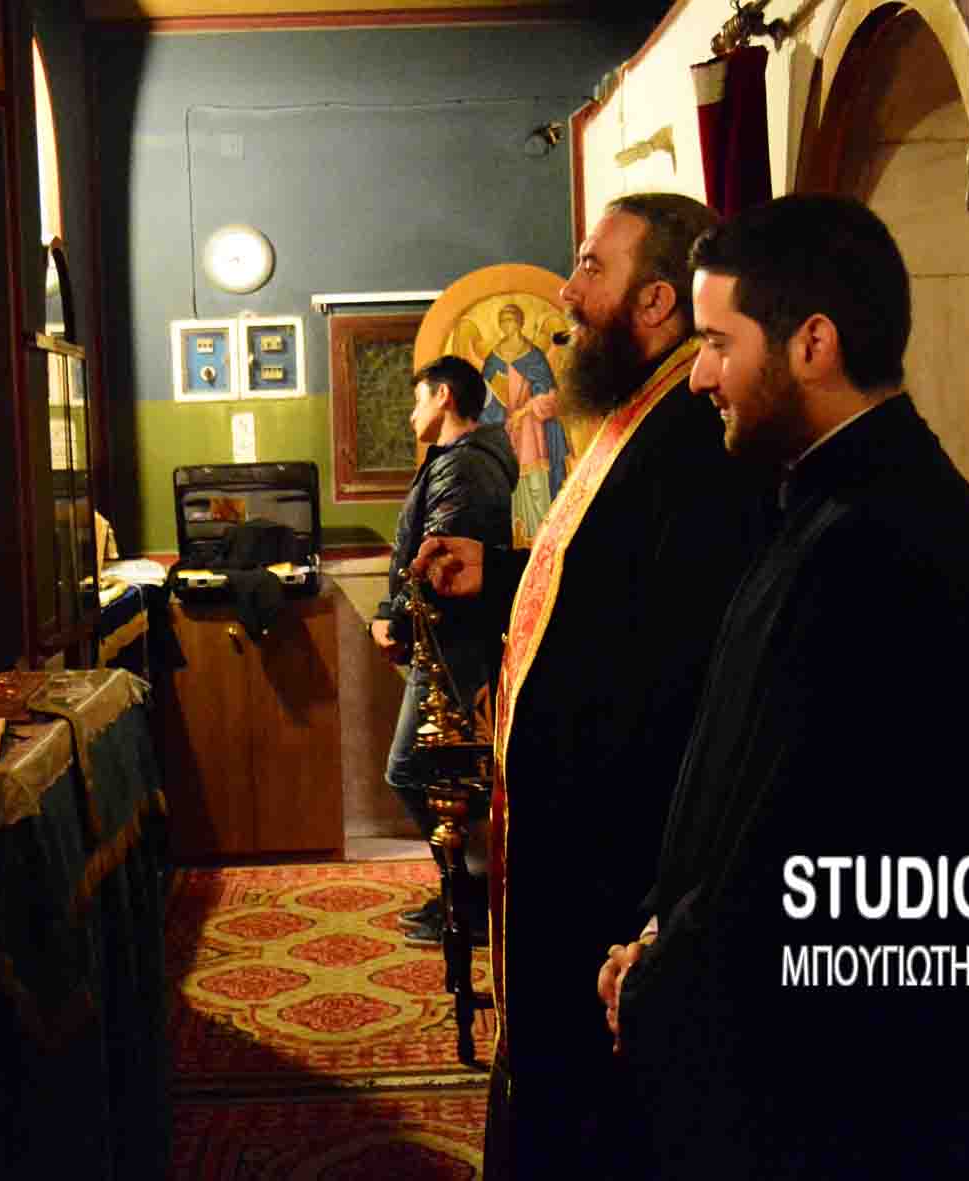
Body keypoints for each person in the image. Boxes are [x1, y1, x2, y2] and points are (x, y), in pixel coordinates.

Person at [598, 193, 969, 1178]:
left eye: (718, 343)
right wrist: (658, 930)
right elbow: (732, 770)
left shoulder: (882, 537)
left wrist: (660, 977)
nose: (699, 375)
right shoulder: (821, 499)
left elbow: (802, 837)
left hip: (835, 1084)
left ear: (812, 344)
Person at [413, 193, 769, 1179]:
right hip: (573, 831)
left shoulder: (690, 436)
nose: (566, 294)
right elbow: (600, 578)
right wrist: (495, 571)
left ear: (655, 301)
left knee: (593, 1105)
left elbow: (674, 650)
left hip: (615, 848)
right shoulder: (632, 418)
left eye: (588, 268)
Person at [372, 355, 516, 946]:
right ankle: (465, 893)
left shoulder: (466, 465)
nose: (412, 415)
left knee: (417, 770)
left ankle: (474, 898)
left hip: (454, 644)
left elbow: (439, 560)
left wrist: (394, 619)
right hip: (444, 642)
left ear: (444, 396)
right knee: (440, 775)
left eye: (418, 400)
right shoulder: (458, 460)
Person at [477, 303, 567, 544]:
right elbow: (483, 395)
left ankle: (539, 535)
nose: (506, 325)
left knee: (535, 481)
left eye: (510, 320)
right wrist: (499, 412)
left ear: (519, 322)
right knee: (510, 481)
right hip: (505, 427)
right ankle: (515, 536)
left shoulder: (534, 355)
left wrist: (524, 410)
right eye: (502, 321)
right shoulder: (494, 356)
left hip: (532, 427)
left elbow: (549, 394)